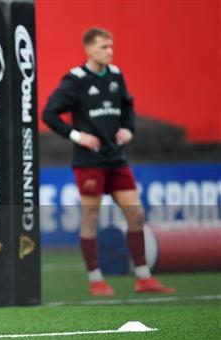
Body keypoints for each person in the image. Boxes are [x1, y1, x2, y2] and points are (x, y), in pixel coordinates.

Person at [42, 27, 175, 296]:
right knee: (91, 216)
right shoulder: (76, 79)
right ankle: (96, 279)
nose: (109, 52)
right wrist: (78, 136)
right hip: (89, 161)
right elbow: (49, 114)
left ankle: (143, 277)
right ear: (89, 49)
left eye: (111, 47)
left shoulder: (115, 75)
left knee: (136, 214)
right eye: (103, 47)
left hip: (116, 158)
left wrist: (128, 128)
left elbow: (128, 108)